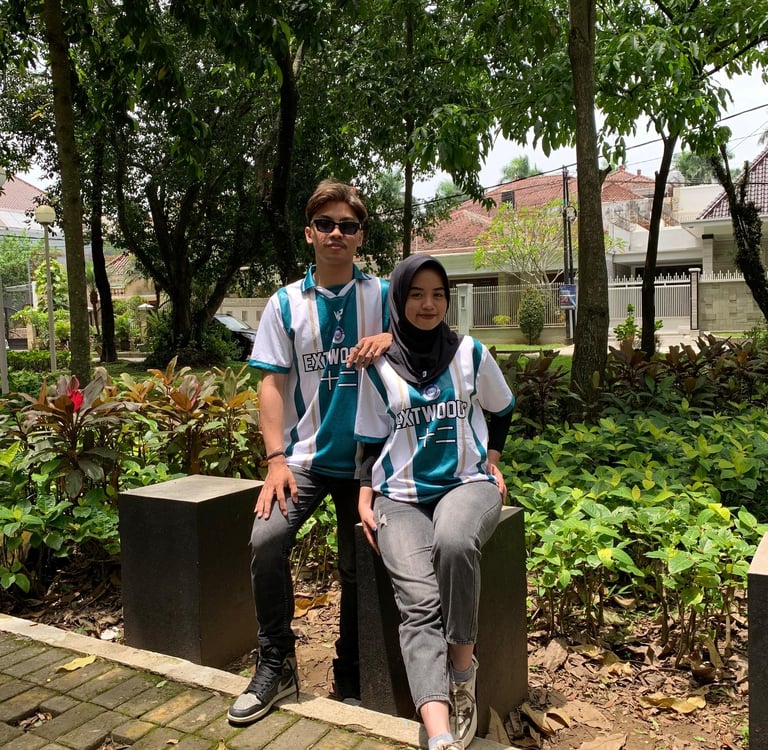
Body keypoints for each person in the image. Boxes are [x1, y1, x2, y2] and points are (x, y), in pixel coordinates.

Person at [228, 180, 391, 725]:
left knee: (355, 565)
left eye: (347, 225)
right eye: (326, 224)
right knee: (266, 540)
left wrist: (393, 340)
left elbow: (431, 336)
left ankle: (351, 673)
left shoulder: (385, 296)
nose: (336, 233)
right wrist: (275, 458)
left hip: (370, 462)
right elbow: (270, 383)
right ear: (309, 233)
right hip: (303, 461)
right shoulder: (284, 304)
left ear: (360, 236)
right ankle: (277, 661)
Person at [355, 254, 514, 750]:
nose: (428, 304)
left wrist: (492, 454)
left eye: (438, 294)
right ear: (399, 301)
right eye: (416, 294)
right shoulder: (377, 365)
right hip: (399, 498)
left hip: (466, 484)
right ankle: (440, 731)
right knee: (419, 602)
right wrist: (366, 495)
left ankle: (462, 673)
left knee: (454, 542)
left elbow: (502, 407)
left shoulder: (470, 353)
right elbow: (368, 438)